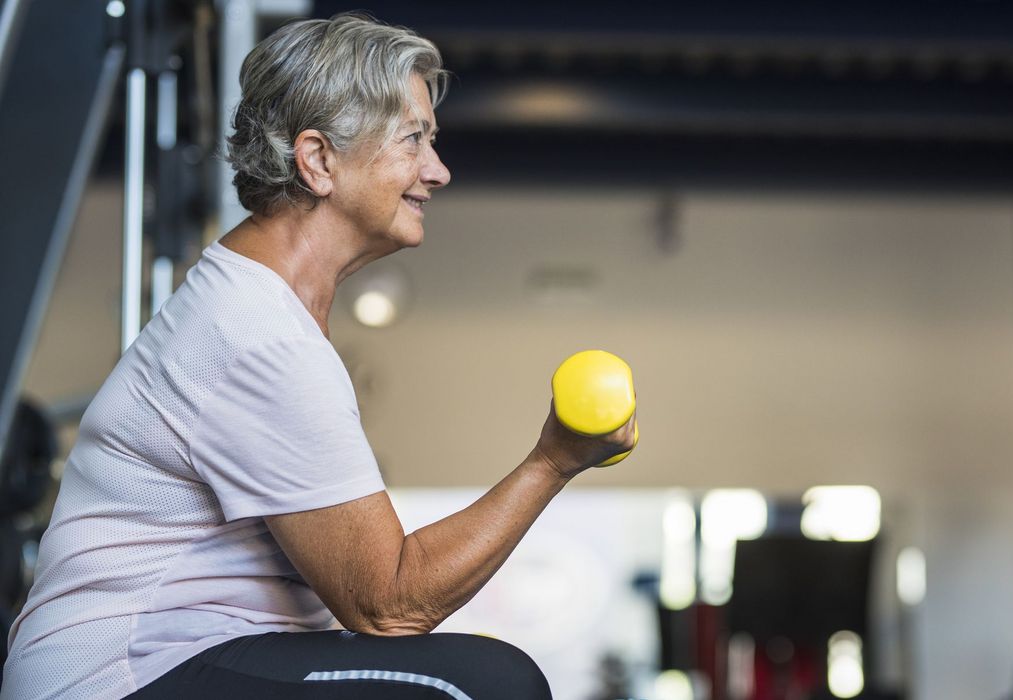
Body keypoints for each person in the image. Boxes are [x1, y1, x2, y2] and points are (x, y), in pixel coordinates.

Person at [2, 13, 635, 700]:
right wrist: (553, 461)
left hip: (199, 657)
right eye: (413, 141)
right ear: (318, 160)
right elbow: (388, 602)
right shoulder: (255, 334)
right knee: (489, 684)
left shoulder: (265, 311)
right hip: (117, 679)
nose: (438, 171)